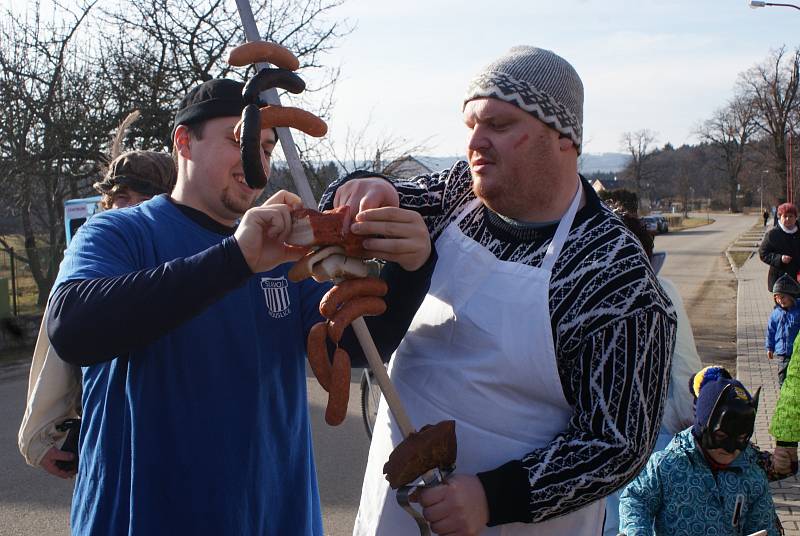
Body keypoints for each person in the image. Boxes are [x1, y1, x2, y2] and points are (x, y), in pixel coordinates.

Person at [45, 78, 433, 535]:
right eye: (239, 141)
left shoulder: (286, 251)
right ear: (184, 142)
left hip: (275, 519)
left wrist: (412, 270)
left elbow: (359, 344)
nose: (257, 161)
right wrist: (234, 260)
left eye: (267, 148)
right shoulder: (120, 232)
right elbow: (72, 327)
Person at [323, 46, 676, 535]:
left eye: (499, 125)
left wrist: (491, 497)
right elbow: (360, 210)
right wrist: (359, 188)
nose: (476, 142)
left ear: (563, 137)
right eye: (470, 125)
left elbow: (618, 441)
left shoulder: (613, 274)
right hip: (395, 515)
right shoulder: (453, 198)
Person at [18, 149, 176, 478]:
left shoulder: (194, 255)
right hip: (113, 441)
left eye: (145, 197)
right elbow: (57, 342)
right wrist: (42, 435)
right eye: (121, 196)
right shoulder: (94, 257)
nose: (130, 205)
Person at [602, 208, 702, 536]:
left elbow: (683, 366)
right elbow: (686, 368)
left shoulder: (657, 292)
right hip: (647, 437)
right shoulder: (663, 290)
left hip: (623, 439)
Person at [618, 376, 779, 536]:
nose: (730, 448)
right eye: (721, 436)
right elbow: (636, 499)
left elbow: (763, 525)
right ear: (703, 426)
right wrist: (637, 532)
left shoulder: (752, 476)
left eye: (740, 439)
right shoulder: (666, 464)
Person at [765, 273, 800, 386]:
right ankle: (784, 396)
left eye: (783, 297)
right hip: (782, 353)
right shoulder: (775, 314)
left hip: (796, 352)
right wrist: (770, 347)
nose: (780, 300)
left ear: (791, 296)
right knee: (783, 377)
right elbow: (771, 331)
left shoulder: (798, 311)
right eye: (777, 297)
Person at [759, 202, 800, 291]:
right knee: (783, 305)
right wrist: (779, 259)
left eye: (791, 216)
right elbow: (763, 254)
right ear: (780, 217)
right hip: (780, 280)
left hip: (798, 278)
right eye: (785, 216)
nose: (788, 219)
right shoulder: (773, 234)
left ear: (795, 217)